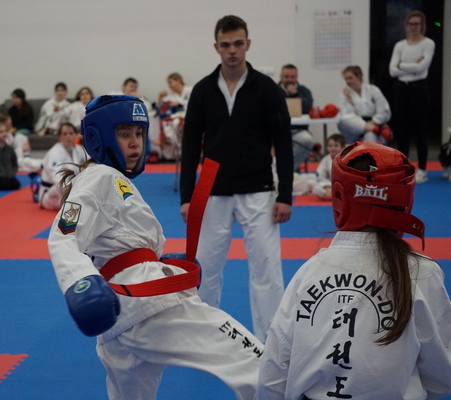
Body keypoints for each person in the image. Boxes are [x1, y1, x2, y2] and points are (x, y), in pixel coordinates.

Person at [47, 94, 263, 400]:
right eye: (124, 134)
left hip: (120, 320)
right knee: (258, 365)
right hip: (145, 304)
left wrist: (164, 263)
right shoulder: (98, 177)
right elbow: (63, 235)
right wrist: (80, 284)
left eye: (139, 133)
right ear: (97, 137)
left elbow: (119, 245)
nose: (134, 142)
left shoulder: (110, 180)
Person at [257, 141, 451, 399]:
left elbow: (273, 373)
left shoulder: (310, 272)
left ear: (340, 198)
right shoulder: (422, 273)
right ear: (406, 200)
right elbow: (441, 377)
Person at [180, 15, 293, 342]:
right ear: (216, 47)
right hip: (212, 189)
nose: (232, 50)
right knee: (206, 268)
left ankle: (271, 342)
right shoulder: (203, 90)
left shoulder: (267, 89)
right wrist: (186, 197)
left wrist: (285, 194)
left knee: (266, 269)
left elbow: (283, 142)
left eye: (238, 43)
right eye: (226, 44)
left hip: (258, 188)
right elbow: (190, 146)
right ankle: (203, 337)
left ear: (248, 44)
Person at [389, 10, 435, 184]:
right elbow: (392, 71)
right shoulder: (400, 46)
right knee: (402, 131)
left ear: (422, 26)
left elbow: (422, 68)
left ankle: (422, 169)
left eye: (417, 24)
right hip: (402, 89)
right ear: (406, 26)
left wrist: (402, 65)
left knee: (420, 130)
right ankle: (404, 168)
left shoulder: (428, 44)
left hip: (419, 89)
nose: (413, 27)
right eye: (411, 24)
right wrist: (412, 65)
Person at [338, 65, 392, 144]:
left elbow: (384, 110)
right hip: (356, 128)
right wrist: (350, 100)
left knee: (370, 135)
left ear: (359, 76)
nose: (348, 81)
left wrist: (373, 122)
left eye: (350, 78)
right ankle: (374, 129)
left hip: (374, 123)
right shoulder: (344, 95)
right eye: (346, 79)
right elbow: (346, 115)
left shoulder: (373, 90)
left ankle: (372, 129)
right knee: (343, 119)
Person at [38, 122, 87, 210]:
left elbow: (92, 164)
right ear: (59, 137)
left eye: (71, 133)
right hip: (51, 193)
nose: (68, 136)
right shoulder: (55, 153)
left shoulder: (79, 150)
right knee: (80, 205)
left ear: (75, 135)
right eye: (65, 134)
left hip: (73, 189)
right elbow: (57, 178)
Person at [278, 64, 317, 172]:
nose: (289, 80)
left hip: (299, 131)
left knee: (307, 141)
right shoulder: (273, 89)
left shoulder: (304, 91)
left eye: (292, 77)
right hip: (278, 131)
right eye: (286, 77)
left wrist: (295, 94)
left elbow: (308, 109)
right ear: (281, 77)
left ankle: (284, 170)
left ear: (296, 77)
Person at [312, 133, 346, 200]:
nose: (332, 148)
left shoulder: (347, 158)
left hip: (345, 186)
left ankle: (336, 195)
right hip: (330, 186)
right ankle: (332, 194)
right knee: (314, 186)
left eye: (336, 145)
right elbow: (320, 176)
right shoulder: (326, 160)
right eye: (330, 146)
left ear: (343, 147)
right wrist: (326, 186)